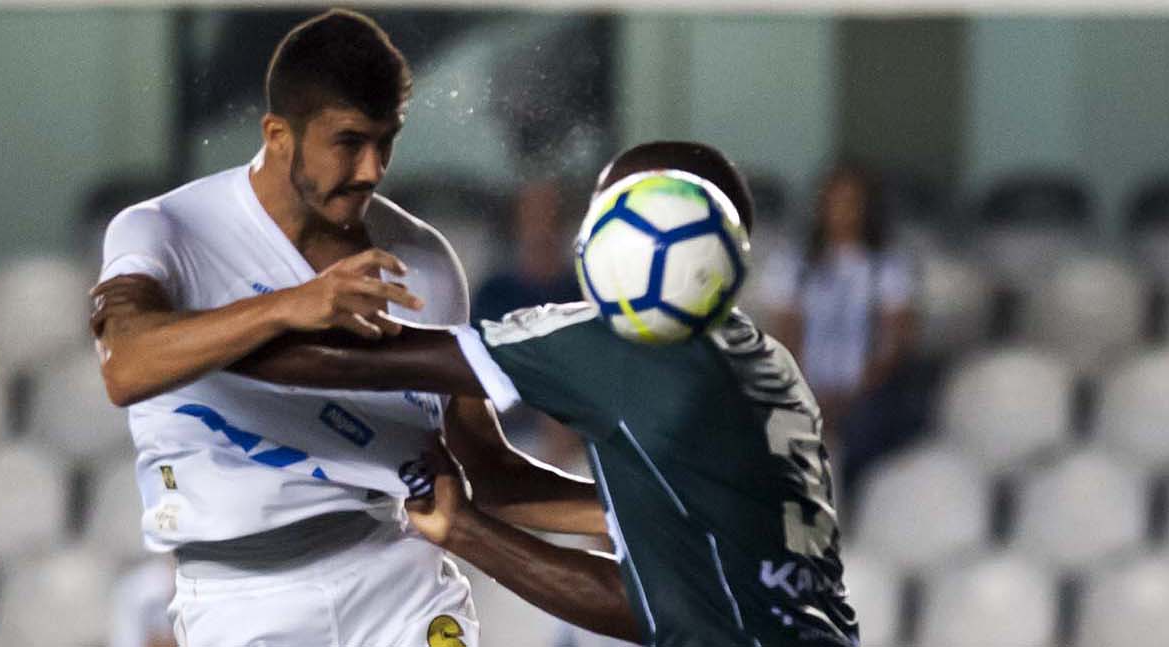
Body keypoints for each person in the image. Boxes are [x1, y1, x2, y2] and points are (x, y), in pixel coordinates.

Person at [88, 10, 602, 647]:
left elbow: (489, 473)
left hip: (398, 580)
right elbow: (125, 364)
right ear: (278, 134)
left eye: (387, 140)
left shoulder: (424, 259)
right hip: (241, 598)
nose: (371, 169)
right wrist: (291, 305)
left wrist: (632, 510)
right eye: (349, 141)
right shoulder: (166, 229)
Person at [229, 141, 859, 647]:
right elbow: (514, 487)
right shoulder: (770, 364)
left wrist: (197, 335)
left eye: (604, 208)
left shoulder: (615, 347)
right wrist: (471, 467)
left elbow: (345, 365)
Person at [757, 162, 916, 486]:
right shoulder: (793, 264)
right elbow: (783, 336)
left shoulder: (888, 266)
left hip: (864, 397)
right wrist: (809, 394)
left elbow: (893, 344)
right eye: (835, 202)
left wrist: (848, 400)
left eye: (852, 203)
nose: (842, 212)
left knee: (866, 433)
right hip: (803, 389)